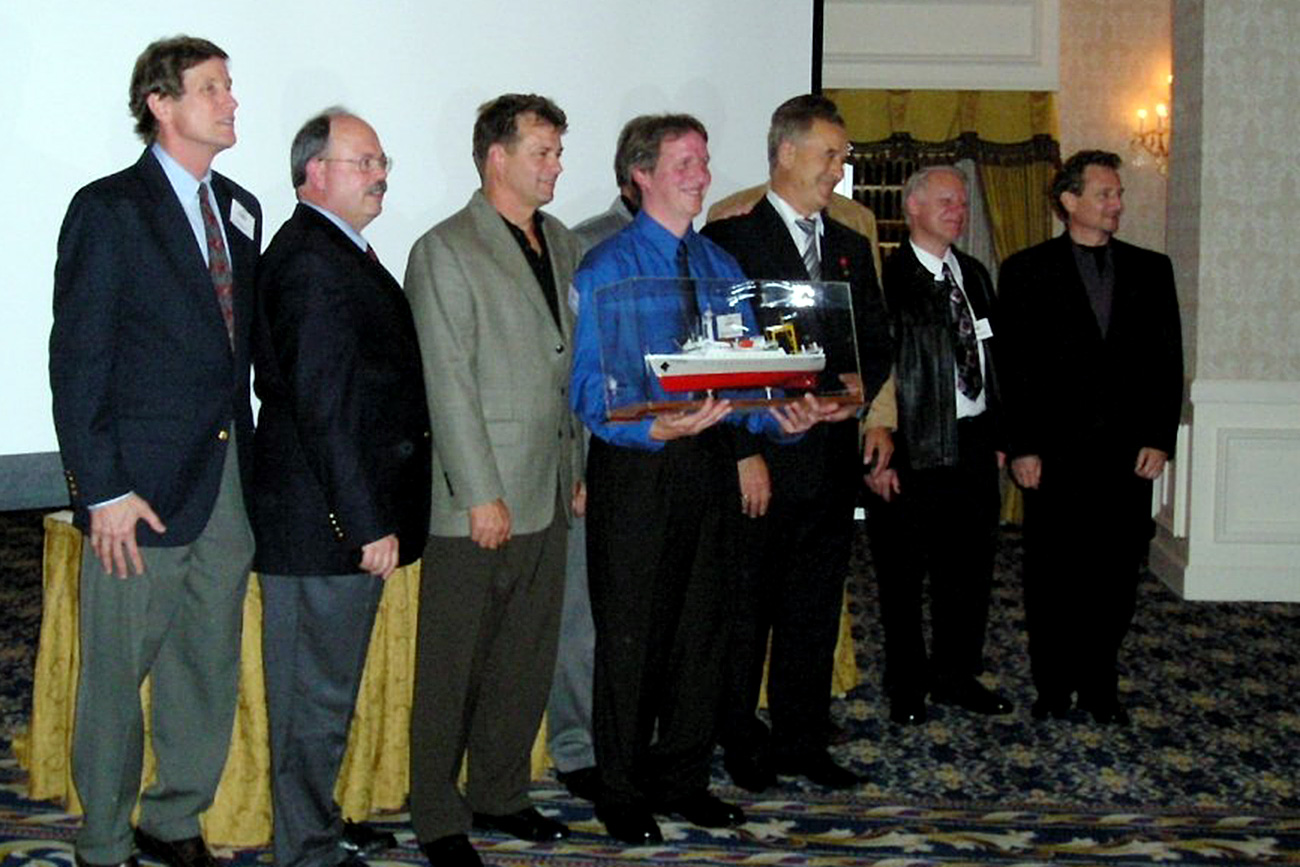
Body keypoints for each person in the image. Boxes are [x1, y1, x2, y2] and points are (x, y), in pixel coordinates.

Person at [571, 113, 823, 845]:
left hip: (712, 465)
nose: (701, 172)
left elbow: (749, 384)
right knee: (631, 637)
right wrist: (648, 427)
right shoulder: (606, 267)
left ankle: (682, 779)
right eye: (683, 160)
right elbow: (587, 387)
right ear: (641, 173)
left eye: (705, 160)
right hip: (638, 468)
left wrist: (784, 415)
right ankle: (620, 788)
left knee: (704, 630)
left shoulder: (722, 268)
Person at [49, 35, 260, 867]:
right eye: (211, 88)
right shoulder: (108, 209)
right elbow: (78, 361)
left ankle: (172, 819)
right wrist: (100, 490)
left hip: (224, 483)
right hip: (136, 491)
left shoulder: (238, 207)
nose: (231, 100)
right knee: (115, 677)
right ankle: (102, 838)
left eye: (230, 87)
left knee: (205, 665)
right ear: (160, 105)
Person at [403, 94, 584, 867]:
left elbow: (568, 369)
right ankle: (439, 814)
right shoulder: (444, 248)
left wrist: (577, 469)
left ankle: (502, 792)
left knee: (524, 656)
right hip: (478, 499)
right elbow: (447, 381)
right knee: (454, 664)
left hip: (550, 487)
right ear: (496, 157)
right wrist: (480, 492)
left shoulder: (567, 244)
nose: (555, 165)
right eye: (542, 151)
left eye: (558, 151)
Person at [252, 109, 431, 867]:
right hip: (322, 525)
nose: (380, 172)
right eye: (362, 161)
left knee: (323, 697)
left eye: (381, 159)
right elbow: (324, 406)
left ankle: (316, 826)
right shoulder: (312, 260)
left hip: (334, 519)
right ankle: (307, 850)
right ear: (313, 173)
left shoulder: (338, 253)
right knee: (311, 703)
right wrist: (363, 520)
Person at [701, 94, 893, 791]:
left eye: (842, 157)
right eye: (829, 155)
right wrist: (745, 441)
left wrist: (851, 396)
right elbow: (716, 353)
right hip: (763, 461)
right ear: (785, 152)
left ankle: (802, 740)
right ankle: (740, 738)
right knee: (747, 608)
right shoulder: (730, 239)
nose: (838, 171)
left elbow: (874, 339)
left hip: (830, 460)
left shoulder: (846, 240)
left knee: (813, 610)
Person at [998, 150, 1183, 725]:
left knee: (1116, 577)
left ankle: (1101, 684)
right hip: (1054, 457)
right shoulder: (1026, 270)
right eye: (1105, 194)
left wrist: (1159, 437)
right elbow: (1014, 368)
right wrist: (1022, 446)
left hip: (1128, 457)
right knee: (1053, 578)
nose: (1117, 204)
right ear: (1069, 201)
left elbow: (1166, 362)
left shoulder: (1153, 270)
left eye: (1119, 194)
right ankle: (1052, 685)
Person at [867, 165, 1014, 726]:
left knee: (970, 570)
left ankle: (956, 675)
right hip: (911, 448)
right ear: (913, 209)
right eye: (946, 201)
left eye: (962, 202)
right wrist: (877, 453)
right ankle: (906, 682)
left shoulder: (973, 274)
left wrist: (1000, 435)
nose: (958, 210)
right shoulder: (889, 278)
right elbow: (876, 369)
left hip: (973, 445)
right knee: (903, 576)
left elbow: (993, 357)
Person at [545, 124, 641, 804]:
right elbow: (571, 369)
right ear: (640, 171)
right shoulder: (588, 243)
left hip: (662, 464)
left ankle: (635, 734)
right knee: (581, 616)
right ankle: (577, 747)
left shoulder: (696, 252)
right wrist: (577, 466)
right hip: (594, 458)